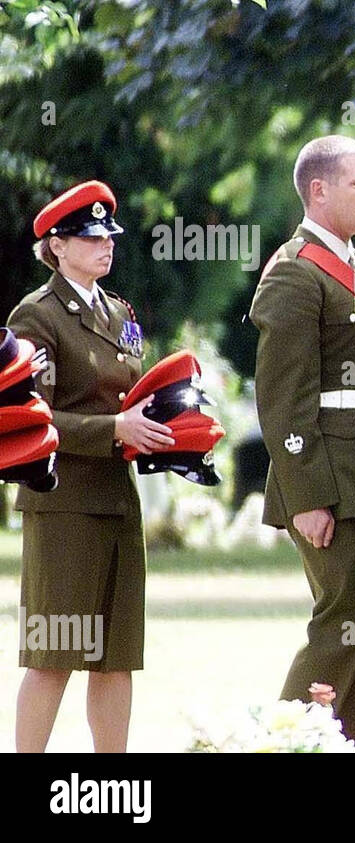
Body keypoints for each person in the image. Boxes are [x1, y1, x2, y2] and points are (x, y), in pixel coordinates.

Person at [250, 135, 355, 752]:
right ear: (318, 191)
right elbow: (283, 398)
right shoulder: (295, 271)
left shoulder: (350, 262)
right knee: (341, 626)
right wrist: (307, 495)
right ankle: (281, 747)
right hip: (332, 478)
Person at [9, 180, 166, 752]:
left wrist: (169, 427)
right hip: (63, 501)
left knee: (115, 656)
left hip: (117, 498)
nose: (106, 245)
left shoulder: (118, 312)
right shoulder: (38, 316)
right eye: (91, 237)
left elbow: (131, 396)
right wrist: (114, 429)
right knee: (54, 654)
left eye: (109, 236)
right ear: (57, 245)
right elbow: (29, 415)